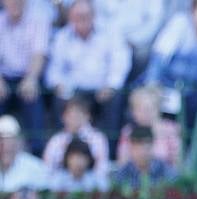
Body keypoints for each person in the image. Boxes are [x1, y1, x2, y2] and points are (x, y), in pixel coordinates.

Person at [43, 0, 131, 139]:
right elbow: (54, 70)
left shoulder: (110, 32)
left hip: (102, 90)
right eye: (77, 16)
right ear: (70, 17)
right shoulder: (62, 37)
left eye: (85, 16)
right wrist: (59, 85)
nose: (82, 20)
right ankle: (63, 146)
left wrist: (111, 85)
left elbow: (120, 63)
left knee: (116, 98)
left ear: (93, 15)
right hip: (73, 91)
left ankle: (110, 150)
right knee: (58, 99)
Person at [144, 0, 197, 128]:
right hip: (167, 84)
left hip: (196, 90)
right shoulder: (180, 22)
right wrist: (152, 84)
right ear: (193, 10)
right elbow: (159, 56)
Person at [0, 0, 52, 151]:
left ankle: (37, 152)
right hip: (4, 78)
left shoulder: (38, 19)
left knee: (32, 96)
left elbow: (39, 54)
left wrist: (31, 79)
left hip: (30, 75)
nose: (14, 2)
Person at [41, 93, 109, 176]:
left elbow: (101, 170)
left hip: (90, 185)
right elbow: (47, 169)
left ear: (88, 116)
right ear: (63, 117)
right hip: (61, 185)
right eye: (70, 113)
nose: (74, 117)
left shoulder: (98, 139)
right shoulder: (56, 140)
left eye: (78, 113)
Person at [92, 0, 165, 77]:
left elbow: (154, 23)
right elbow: (96, 16)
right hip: (105, 38)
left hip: (135, 42)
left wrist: (134, 40)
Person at [116, 85, 180, 166]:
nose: (145, 114)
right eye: (140, 110)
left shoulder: (170, 130)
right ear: (133, 112)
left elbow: (177, 162)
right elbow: (122, 163)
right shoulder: (128, 132)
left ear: (157, 109)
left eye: (148, 109)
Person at [111, 123, 175, 190]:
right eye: (138, 148)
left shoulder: (164, 169)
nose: (142, 152)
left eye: (146, 148)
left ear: (153, 145)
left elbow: (177, 186)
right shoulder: (123, 172)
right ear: (131, 148)